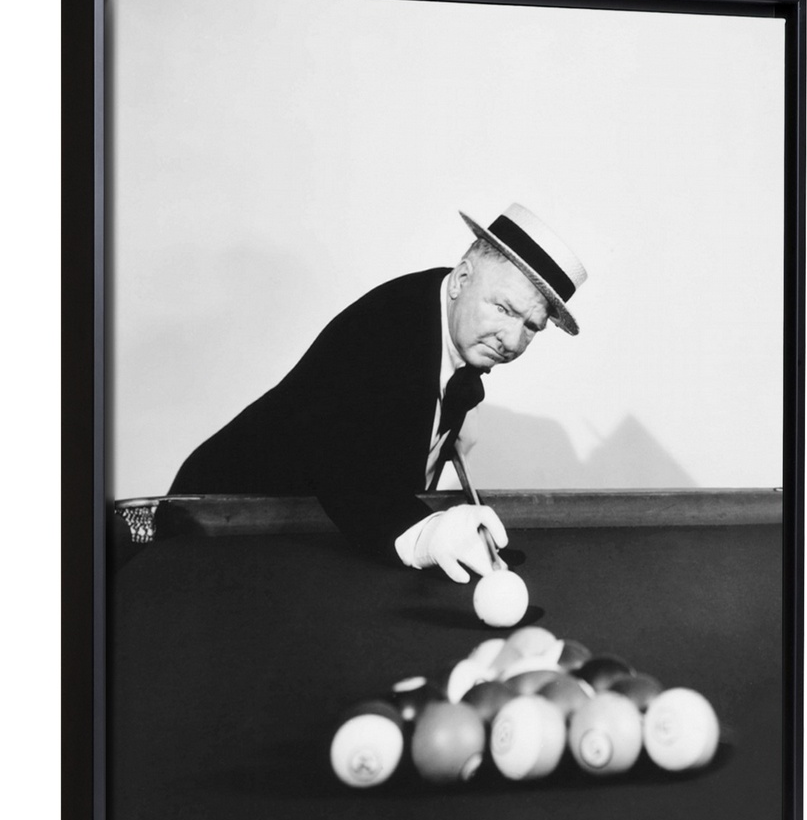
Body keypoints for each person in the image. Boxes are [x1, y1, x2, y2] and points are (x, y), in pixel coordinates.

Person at [168, 203, 588, 582]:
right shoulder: (385, 328)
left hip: (315, 528)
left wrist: (450, 419)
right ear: (462, 279)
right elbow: (339, 458)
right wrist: (426, 533)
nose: (512, 340)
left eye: (531, 326)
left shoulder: (450, 321)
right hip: (215, 519)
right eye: (503, 309)